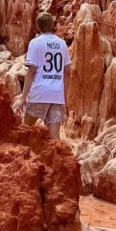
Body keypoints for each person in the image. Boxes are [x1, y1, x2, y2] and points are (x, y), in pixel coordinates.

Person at [15, 11, 71, 139]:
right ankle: (58, 159)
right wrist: (64, 98)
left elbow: (31, 71)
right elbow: (67, 72)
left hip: (39, 94)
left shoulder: (35, 43)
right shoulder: (62, 44)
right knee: (55, 139)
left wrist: (23, 97)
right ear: (52, 25)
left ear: (37, 27)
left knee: (26, 131)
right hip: (57, 95)